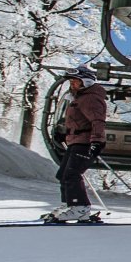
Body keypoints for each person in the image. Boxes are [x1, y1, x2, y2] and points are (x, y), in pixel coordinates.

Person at [47, 64, 110, 224]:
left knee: (72, 174)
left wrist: (96, 141)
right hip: (76, 142)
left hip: (86, 143)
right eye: (71, 82)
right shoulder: (79, 97)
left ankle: (80, 207)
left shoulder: (90, 98)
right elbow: (78, 120)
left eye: (75, 81)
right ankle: (70, 205)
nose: (72, 84)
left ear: (86, 82)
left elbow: (97, 121)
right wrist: (65, 132)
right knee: (63, 174)